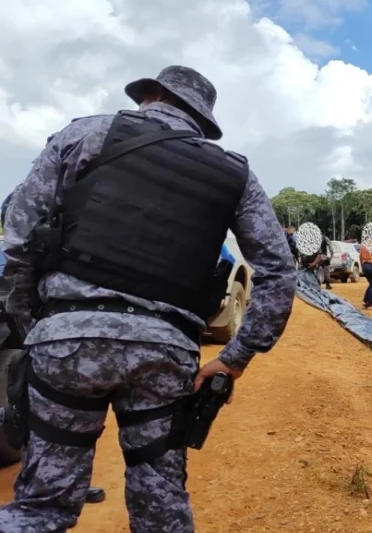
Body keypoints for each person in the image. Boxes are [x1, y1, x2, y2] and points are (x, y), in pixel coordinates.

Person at [0, 65, 297, 532]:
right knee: (161, 506)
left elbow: (16, 237)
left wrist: (31, 323)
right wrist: (234, 359)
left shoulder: (85, 134)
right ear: (201, 120)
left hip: (67, 342)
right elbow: (280, 273)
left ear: (153, 94)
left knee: (41, 508)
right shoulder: (234, 173)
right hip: (165, 354)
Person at [1, 184, 109, 506]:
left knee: (59, 414)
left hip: (41, 334)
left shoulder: (63, 249)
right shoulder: (18, 250)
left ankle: (64, 483)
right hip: (27, 333)